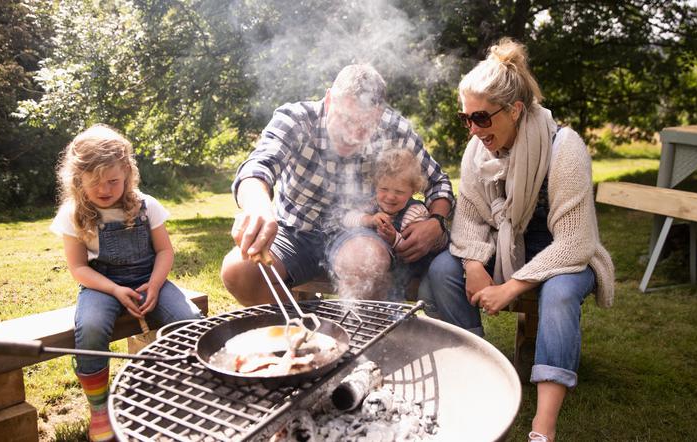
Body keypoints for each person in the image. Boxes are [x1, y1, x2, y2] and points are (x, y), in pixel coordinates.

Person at [418, 38, 614, 442]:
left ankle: (543, 427)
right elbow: (469, 217)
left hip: (563, 252)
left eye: (482, 118)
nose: (473, 129)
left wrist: (512, 286)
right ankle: (477, 376)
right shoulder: (477, 151)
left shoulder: (564, 147)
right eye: (465, 118)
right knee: (441, 271)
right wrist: (473, 265)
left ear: (515, 110)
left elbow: (576, 242)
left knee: (559, 294)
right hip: (508, 250)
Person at [221, 64, 453, 304]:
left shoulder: (394, 130)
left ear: (379, 114)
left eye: (364, 125)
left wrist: (436, 222)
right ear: (330, 99)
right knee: (239, 271)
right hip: (295, 231)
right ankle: (305, 329)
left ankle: (363, 334)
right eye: (345, 119)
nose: (351, 134)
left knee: (365, 261)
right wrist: (258, 207)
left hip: (359, 231)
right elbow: (257, 167)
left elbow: (438, 182)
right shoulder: (297, 120)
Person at [50, 124, 203, 442]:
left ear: (127, 174)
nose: (105, 189)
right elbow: (78, 267)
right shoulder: (74, 214)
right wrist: (114, 290)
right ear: (78, 180)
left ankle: (193, 391)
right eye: (95, 183)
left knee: (190, 321)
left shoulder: (147, 206)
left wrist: (156, 285)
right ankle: (100, 409)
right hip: (101, 286)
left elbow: (164, 250)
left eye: (113, 181)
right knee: (90, 327)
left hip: (150, 280)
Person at [341, 148, 447, 301]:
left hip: (411, 267)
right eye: (384, 189)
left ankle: (392, 318)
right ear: (375, 185)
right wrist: (368, 219)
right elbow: (347, 218)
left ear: (413, 190)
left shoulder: (415, 212)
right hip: (383, 267)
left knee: (392, 289)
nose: (390, 197)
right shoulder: (372, 204)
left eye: (399, 191)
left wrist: (393, 238)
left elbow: (410, 247)